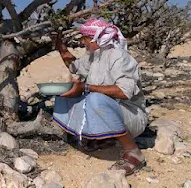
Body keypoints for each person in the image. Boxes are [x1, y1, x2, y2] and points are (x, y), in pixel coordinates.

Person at [53, 18, 147, 176]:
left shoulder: (119, 57)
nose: (83, 43)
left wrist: (86, 87)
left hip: (132, 116)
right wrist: (60, 47)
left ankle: (133, 152)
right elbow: (74, 66)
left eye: (84, 39)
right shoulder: (94, 57)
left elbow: (124, 91)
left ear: (93, 39)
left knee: (95, 99)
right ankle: (101, 137)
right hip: (112, 112)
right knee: (64, 97)